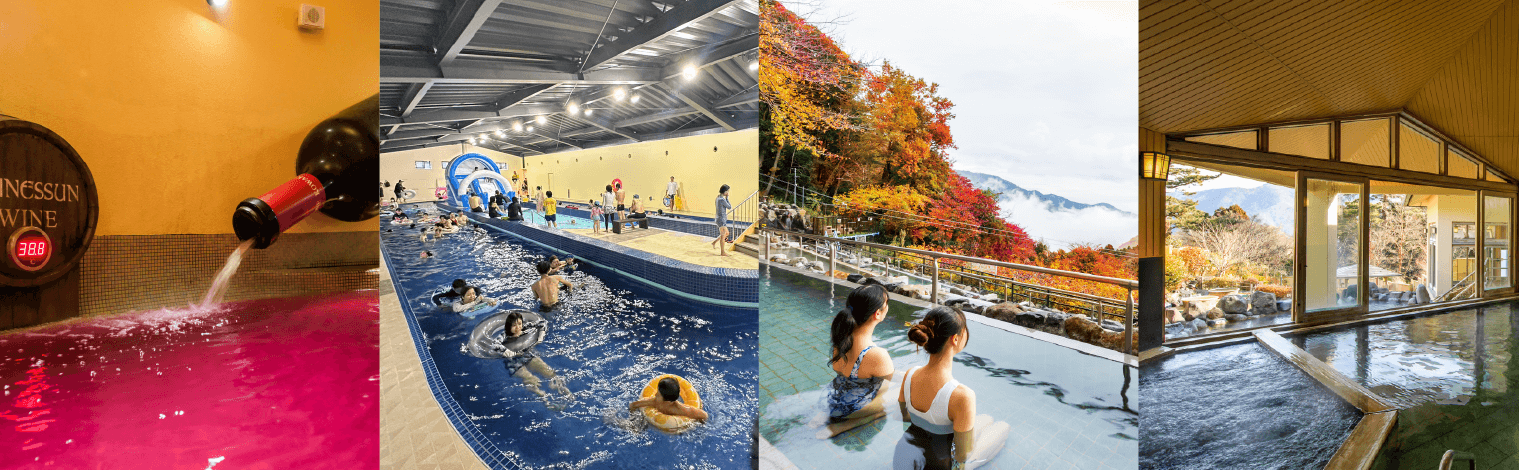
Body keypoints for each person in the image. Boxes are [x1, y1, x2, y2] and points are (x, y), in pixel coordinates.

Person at [894, 307, 1008, 470]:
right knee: (1002, 427)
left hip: (904, 458)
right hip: (938, 466)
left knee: (985, 420)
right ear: (955, 339)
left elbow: (905, 419)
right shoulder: (962, 396)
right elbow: (962, 455)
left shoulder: (909, 376)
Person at [820, 284, 894, 438]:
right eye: (886, 304)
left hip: (829, 400)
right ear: (877, 314)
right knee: (905, 395)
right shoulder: (878, 355)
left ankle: (820, 418)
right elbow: (885, 388)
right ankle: (847, 425)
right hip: (852, 410)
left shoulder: (839, 343)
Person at [499, 311, 570, 397]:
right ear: (509, 326)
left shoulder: (524, 328)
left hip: (526, 354)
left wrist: (540, 336)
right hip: (512, 360)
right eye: (514, 325)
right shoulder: (504, 335)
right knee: (530, 378)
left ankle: (560, 386)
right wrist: (509, 352)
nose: (517, 327)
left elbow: (542, 323)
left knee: (547, 370)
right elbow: (494, 345)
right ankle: (542, 395)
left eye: (519, 324)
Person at [629, 377, 708, 423]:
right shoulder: (655, 401)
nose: (655, 395)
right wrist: (633, 416)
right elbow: (633, 405)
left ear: (668, 401)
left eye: (658, 395)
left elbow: (704, 415)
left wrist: (697, 424)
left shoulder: (680, 409)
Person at [711, 184, 732, 257]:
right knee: (723, 236)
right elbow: (729, 207)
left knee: (726, 233)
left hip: (719, 218)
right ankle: (722, 252)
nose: (728, 192)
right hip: (721, 219)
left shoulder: (717, 197)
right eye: (728, 191)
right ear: (725, 192)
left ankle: (714, 242)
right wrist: (727, 198)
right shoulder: (722, 199)